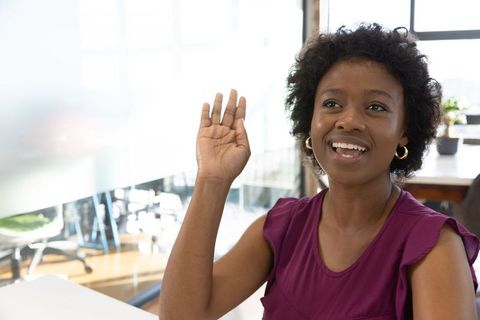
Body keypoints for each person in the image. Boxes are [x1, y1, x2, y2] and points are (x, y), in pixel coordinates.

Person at [159, 23, 479, 319]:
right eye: (331, 104)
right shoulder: (284, 227)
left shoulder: (433, 246)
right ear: (310, 120)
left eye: (376, 107)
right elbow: (182, 315)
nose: (349, 120)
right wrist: (212, 181)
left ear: (404, 131)